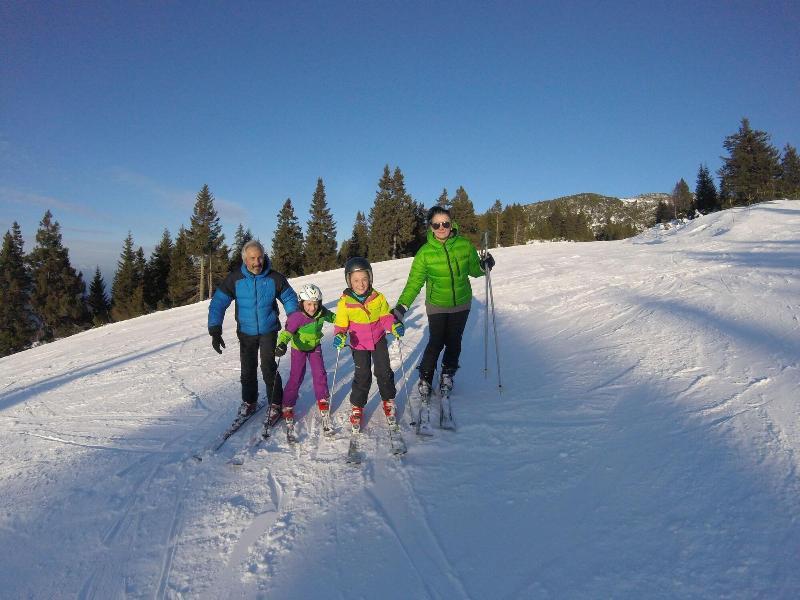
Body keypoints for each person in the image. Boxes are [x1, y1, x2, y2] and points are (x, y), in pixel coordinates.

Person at [392, 206, 494, 398]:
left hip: (461, 303)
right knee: (436, 341)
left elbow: (474, 270)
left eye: (445, 223)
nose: (441, 228)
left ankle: (447, 374)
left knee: (454, 341)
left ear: (451, 224)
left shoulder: (464, 245)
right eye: (436, 224)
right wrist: (401, 306)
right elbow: (414, 283)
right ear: (430, 227)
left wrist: (484, 266)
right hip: (437, 304)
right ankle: (425, 377)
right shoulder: (425, 253)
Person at [208, 240, 299, 431]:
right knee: (247, 369)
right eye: (252, 258)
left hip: (268, 330)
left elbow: (289, 298)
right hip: (246, 332)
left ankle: (275, 404)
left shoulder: (274, 278)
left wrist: (294, 320)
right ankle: (249, 401)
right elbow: (218, 302)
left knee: (268, 367)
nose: (257, 262)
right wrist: (215, 329)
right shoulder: (235, 279)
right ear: (245, 259)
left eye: (259, 257)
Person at [332, 257, 405, 432]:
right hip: (359, 344)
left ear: (370, 278)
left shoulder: (378, 297)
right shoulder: (345, 303)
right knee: (362, 375)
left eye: (365, 279)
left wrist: (393, 325)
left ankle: (388, 400)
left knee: (383, 371)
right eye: (356, 280)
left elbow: (385, 317)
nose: (361, 283)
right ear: (349, 281)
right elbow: (341, 324)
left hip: (378, 340)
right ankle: (357, 405)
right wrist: (340, 335)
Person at [274, 283, 335, 434]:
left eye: (315, 304)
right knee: (296, 377)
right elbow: (286, 333)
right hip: (298, 349)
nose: (312, 308)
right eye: (309, 304)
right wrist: (281, 344)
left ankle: (322, 399)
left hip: (315, 347)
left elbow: (335, 318)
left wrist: (348, 322)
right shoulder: (296, 317)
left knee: (319, 373)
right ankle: (287, 405)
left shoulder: (322, 312)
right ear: (302, 303)